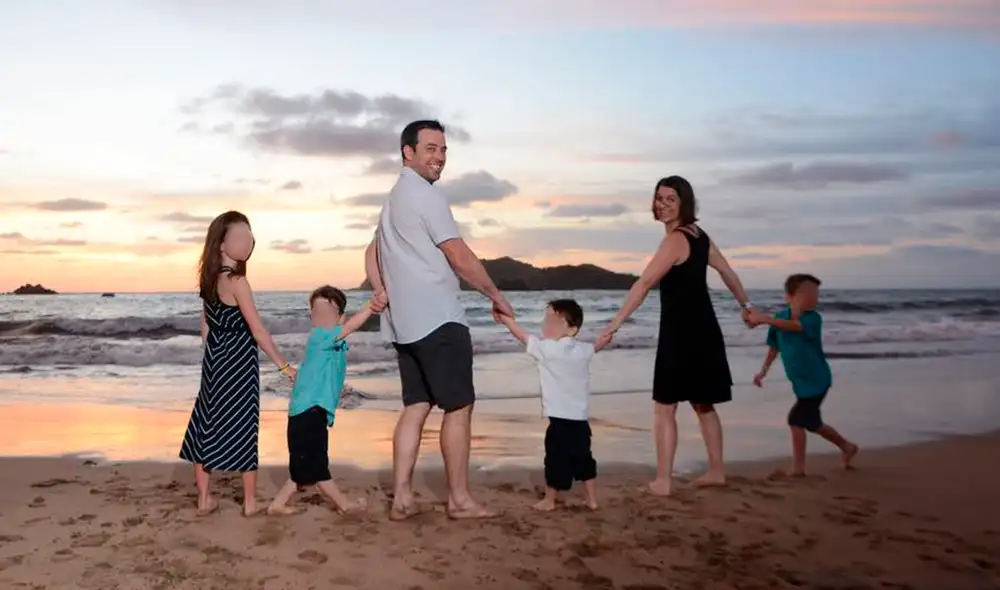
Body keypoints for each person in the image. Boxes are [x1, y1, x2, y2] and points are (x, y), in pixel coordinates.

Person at [364, 119, 513, 520]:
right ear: (407, 153)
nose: (440, 157)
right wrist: (495, 295)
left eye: (444, 150)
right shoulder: (427, 196)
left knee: (416, 406)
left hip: (405, 323)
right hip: (438, 319)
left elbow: (370, 253)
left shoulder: (392, 199)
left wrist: (383, 291)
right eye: (430, 148)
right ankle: (459, 499)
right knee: (459, 407)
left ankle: (401, 499)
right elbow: (458, 255)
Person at [599, 176, 754, 496]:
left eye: (671, 198)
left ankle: (663, 481)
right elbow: (726, 272)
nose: (663, 204)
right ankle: (716, 472)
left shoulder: (674, 240)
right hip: (706, 329)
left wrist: (614, 323)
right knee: (703, 403)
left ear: (685, 202)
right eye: (659, 198)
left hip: (681, 333)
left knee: (664, 407)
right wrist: (745, 305)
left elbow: (643, 284)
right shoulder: (700, 237)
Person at [180, 211, 297, 517]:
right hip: (240, 361)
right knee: (244, 425)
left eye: (249, 236)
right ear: (221, 243)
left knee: (206, 421)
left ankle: (204, 498)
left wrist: (211, 355)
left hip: (216, 359)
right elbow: (257, 330)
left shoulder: (209, 278)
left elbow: (206, 324)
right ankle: (249, 503)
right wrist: (285, 368)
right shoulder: (237, 281)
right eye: (239, 237)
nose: (247, 242)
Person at [267, 286, 387, 516]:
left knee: (304, 466)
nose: (321, 317)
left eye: (327, 312)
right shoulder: (321, 336)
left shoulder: (334, 340)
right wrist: (371, 307)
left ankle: (278, 504)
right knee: (318, 466)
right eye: (317, 312)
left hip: (309, 411)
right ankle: (344, 505)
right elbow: (350, 327)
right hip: (308, 412)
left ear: (339, 317)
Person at [494, 299, 610, 511]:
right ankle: (591, 499)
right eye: (546, 320)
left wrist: (505, 319)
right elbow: (596, 347)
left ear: (572, 330)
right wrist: (605, 339)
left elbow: (521, 336)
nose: (547, 325)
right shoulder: (583, 350)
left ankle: (549, 500)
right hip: (581, 421)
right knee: (584, 459)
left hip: (559, 422)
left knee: (555, 460)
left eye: (554, 321)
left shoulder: (547, 349)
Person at [750, 273, 859, 476]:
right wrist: (762, 372)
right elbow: (774, 348)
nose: (813, 297)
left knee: (796, 420)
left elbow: (795, 326)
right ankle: (847, 447)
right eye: (807, 293)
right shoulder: (778, 319)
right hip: (800, 382)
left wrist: (764, 319)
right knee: (812, 423)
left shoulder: (813, 319)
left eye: (816, 293)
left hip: (817, 380)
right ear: (789, 296)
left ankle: (798, 469)